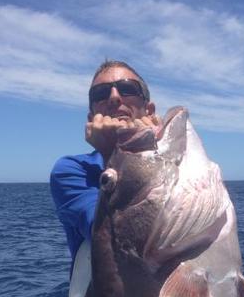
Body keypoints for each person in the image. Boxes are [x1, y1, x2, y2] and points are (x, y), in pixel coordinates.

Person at [50, 60, 163, 262]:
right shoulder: (71, 171)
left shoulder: (181, 162)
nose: (114, 98)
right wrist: (113, 154)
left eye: (127, 88)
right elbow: (115, 239)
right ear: (91, 117)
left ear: (150, 111)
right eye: (100, 94)